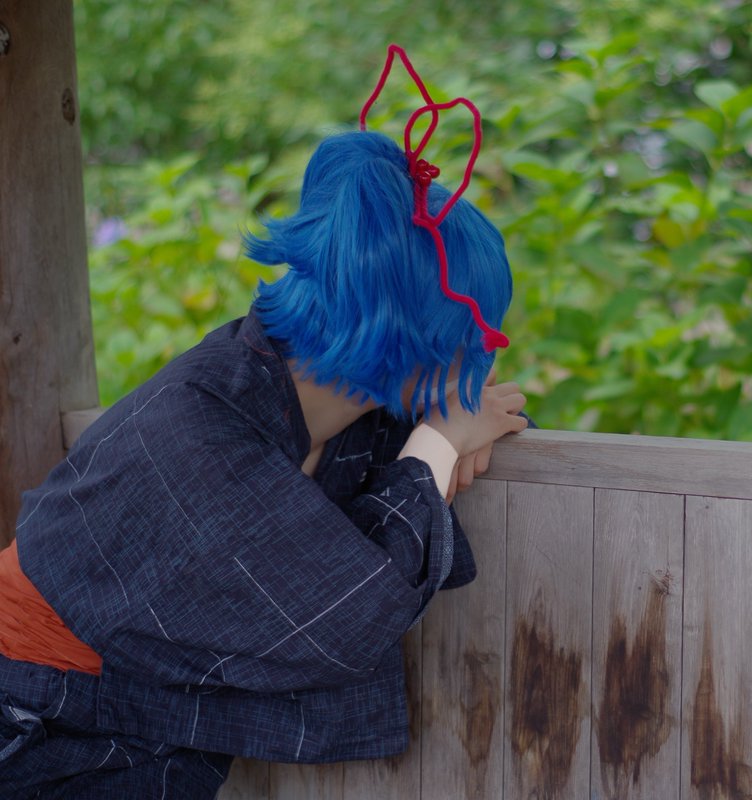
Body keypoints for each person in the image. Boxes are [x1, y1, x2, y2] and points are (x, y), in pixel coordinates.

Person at [0, 48, 529, 798]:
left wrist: (434, 435)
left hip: (85, 709)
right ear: (415, 337)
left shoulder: (318, 396)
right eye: (473, 334)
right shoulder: (204, 420)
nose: (486, 351)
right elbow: (347, 615)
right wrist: (437, 446)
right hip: (29, 716)